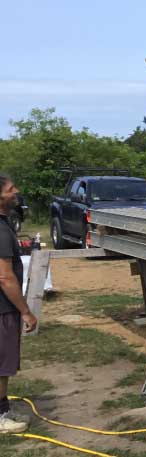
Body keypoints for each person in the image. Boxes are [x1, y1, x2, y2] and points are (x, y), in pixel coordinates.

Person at [0, 173, 36, 433]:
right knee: (3, 363)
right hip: (2, 309)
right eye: (11, 189)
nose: (16, 191)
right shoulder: (0, 230)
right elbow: (4, 276)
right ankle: (1, 416)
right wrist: (25, 311)